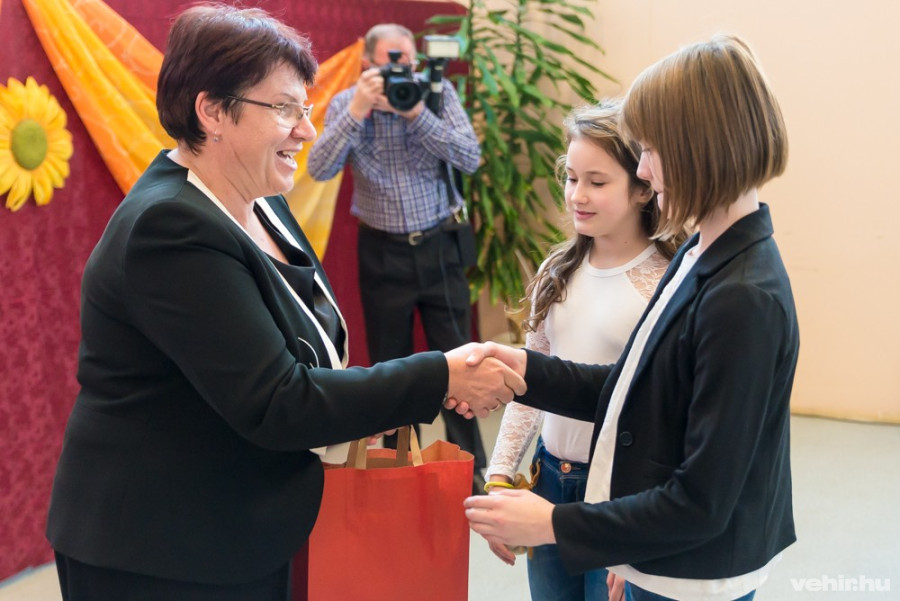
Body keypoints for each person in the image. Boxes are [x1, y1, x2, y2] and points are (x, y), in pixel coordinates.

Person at [45, 6, 523, 600]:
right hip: (159, 547)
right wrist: (439, 375)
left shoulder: (261, 200)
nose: (307, 130)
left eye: (304, 108)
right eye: (284, 109)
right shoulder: (169, 228)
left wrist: (379, 401)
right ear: (211, 111)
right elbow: (277, 401)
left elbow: (308, 356)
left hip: (242, 524)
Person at [460, 34, 797, 601]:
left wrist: (553, 524)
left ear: (698, 150)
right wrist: (525, 368)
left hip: (689, 577)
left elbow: (701, 500)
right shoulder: (701, 252)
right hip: (660, 558)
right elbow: (637, 391)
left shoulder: (744, 297)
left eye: (651, 150)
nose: (643, 168)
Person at [484, 100, 684, 600]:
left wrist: (640, 532)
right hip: (550, 479)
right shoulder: (558, 270)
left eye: (597, 182)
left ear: (643, 187)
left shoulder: (665, 283)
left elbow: (666, 417)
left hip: (617, 492)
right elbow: (531, 385)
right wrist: (500, 475)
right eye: (571, 178)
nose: (577, 195)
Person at [307, 23, 488, 491]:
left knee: (460, 360)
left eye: (406, 61)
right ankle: (399, 474)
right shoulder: (349, 103)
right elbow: (318, 168)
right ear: (368, 64)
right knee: (392, 370)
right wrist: (358, 111)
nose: (400, 71)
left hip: (439, 245)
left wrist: (416, 114)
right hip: (383, 254)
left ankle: (473, 473)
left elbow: (469, 157)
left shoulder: (437, 94)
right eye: (390, 62)